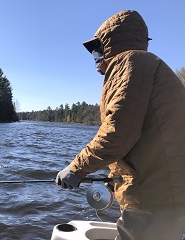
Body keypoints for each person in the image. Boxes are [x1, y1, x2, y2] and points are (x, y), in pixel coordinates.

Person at [55, 10, 185, 240]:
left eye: (96, 46)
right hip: (166, 195)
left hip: (154, 199)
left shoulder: (130, 62)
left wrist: (77, 168)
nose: (94, 54)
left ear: (109, 42)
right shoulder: (148, 65)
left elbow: (118, 132)